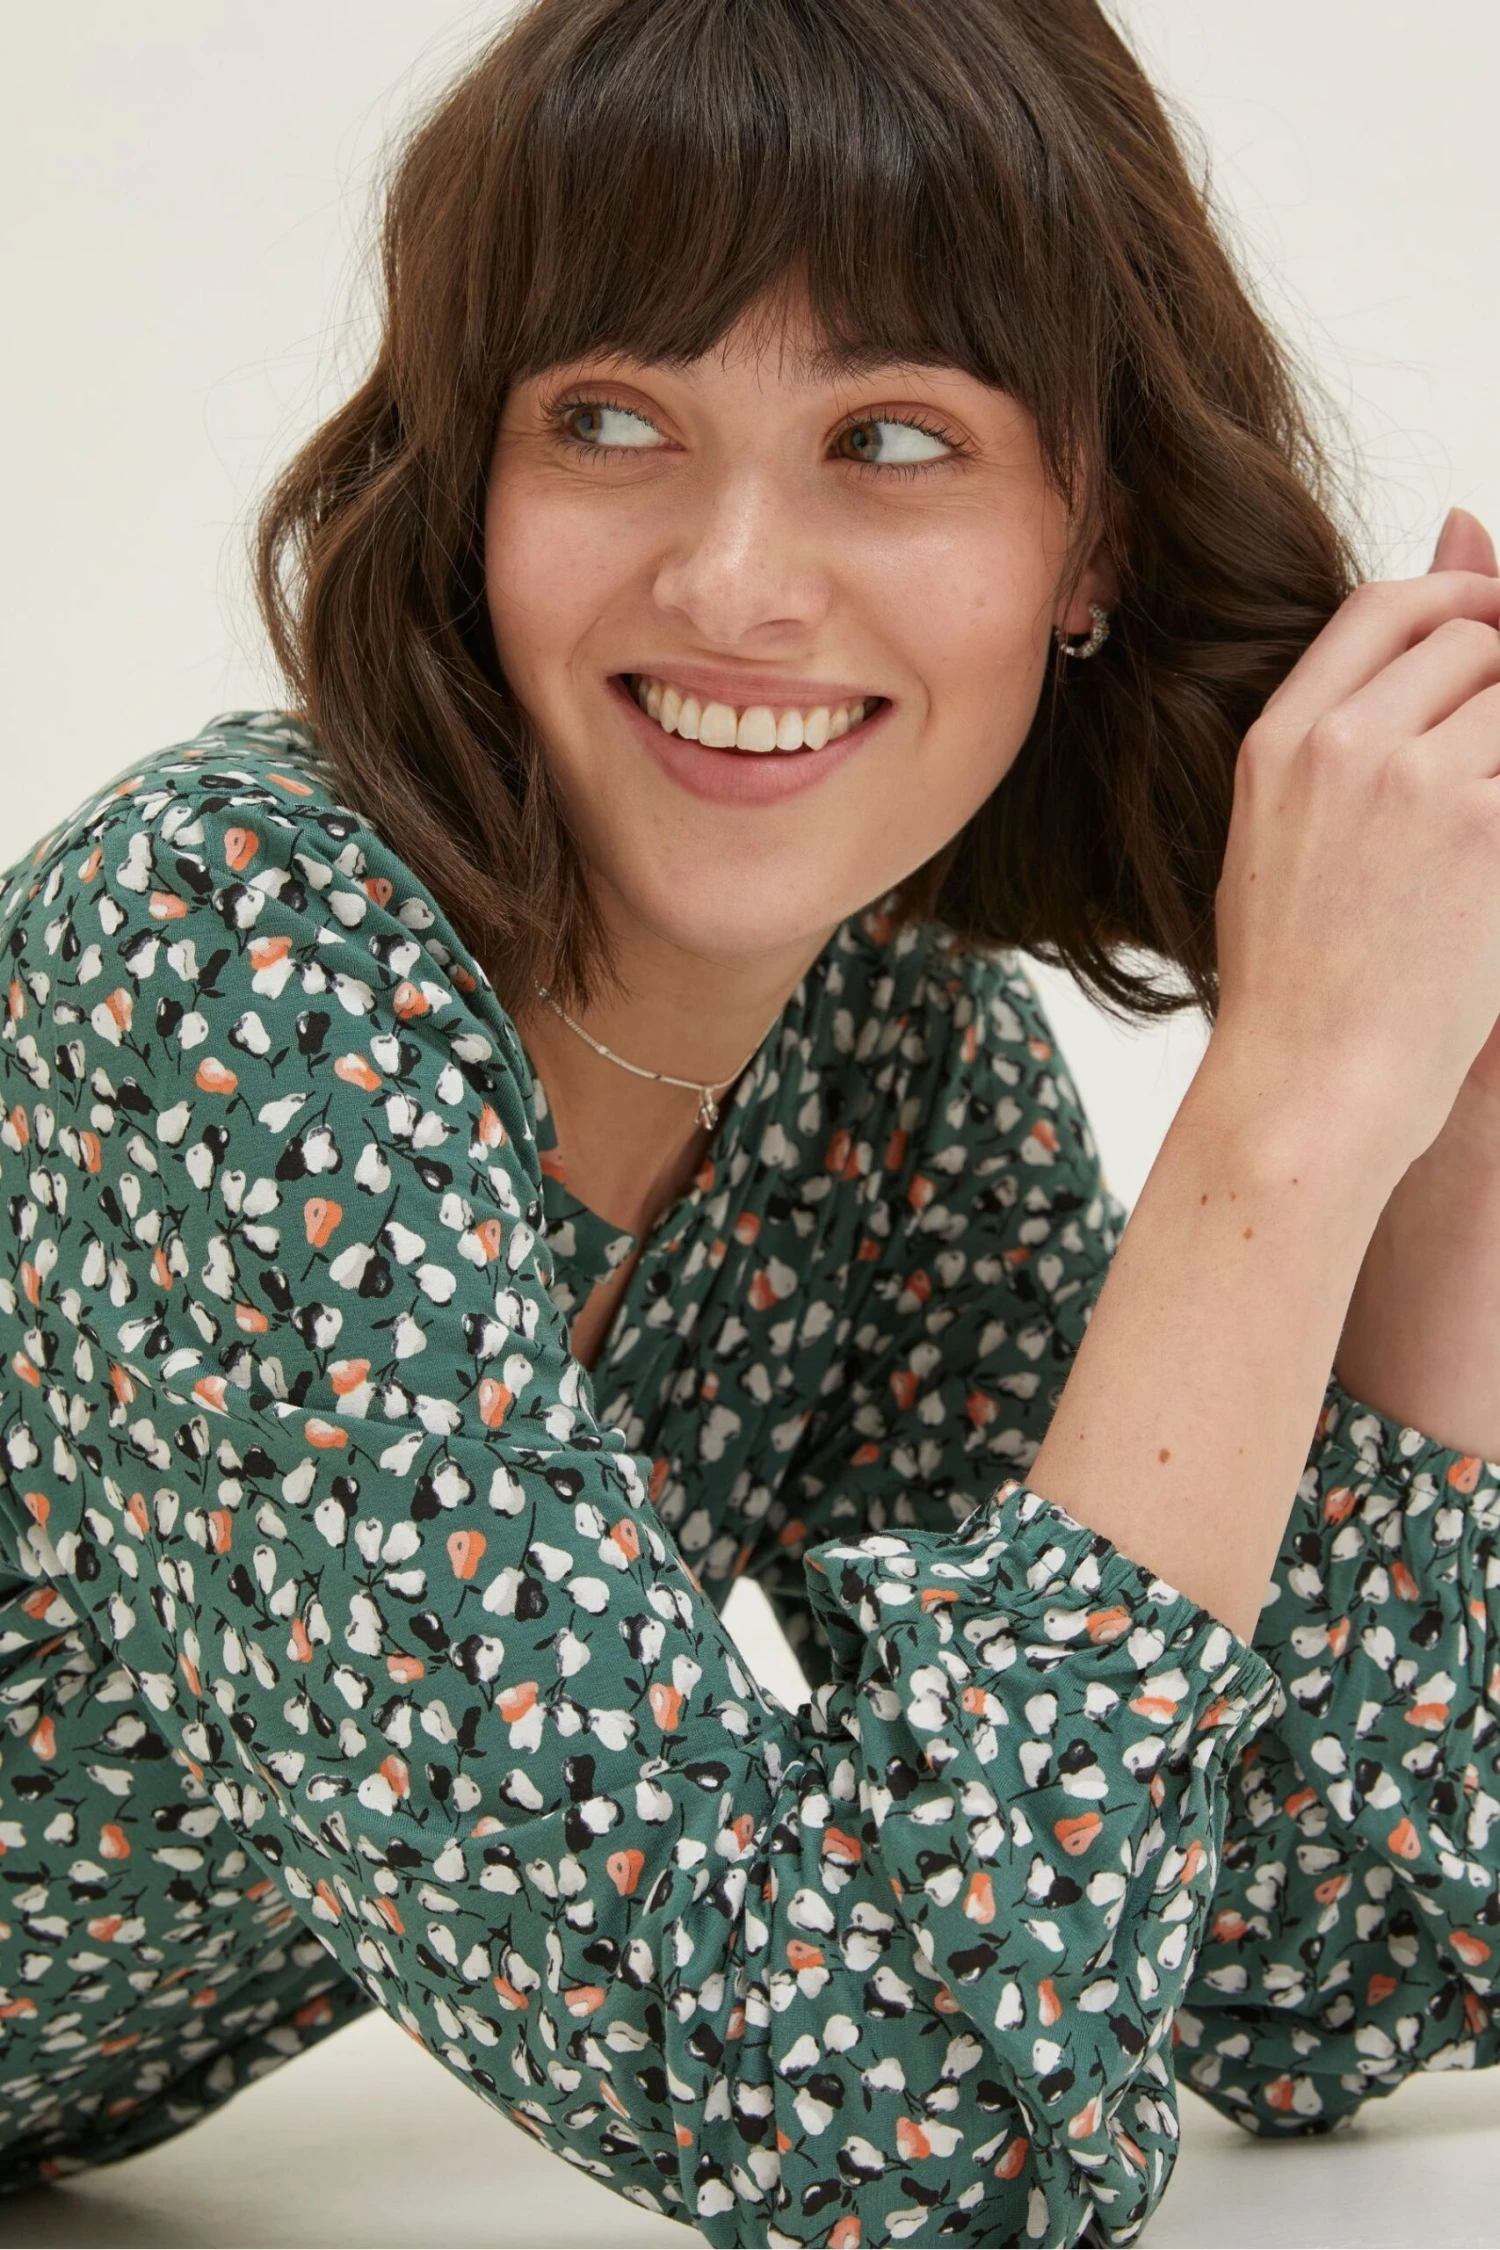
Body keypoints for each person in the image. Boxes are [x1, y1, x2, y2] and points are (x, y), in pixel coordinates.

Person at [1, 1, 1497, 2242]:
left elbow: (1306, 1965)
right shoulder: (227, 958)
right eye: (610, 419)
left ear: (1092, 541)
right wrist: (1280, 1112)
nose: (731, 581)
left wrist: (1443, 1095)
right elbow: (876, 2141)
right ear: (471, 478)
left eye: (891, 438)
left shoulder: (879, 1067)